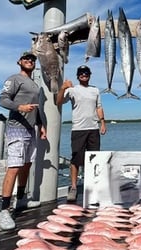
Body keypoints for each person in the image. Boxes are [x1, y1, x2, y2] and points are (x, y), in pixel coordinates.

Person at [0, 51, 46, 230]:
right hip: (16, 128)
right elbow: (2, 99)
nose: (30, 61)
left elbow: (36, 108)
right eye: (26, 59)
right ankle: (4, 210)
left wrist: (41, 125)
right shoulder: (14, 79)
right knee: (14, 167)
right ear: (19, 62)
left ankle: (21, 200)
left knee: (26, 165)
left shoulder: (35, 84)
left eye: (33, 59)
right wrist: (19, 106)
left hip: (31, 129)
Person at [56, 65, 106, 201]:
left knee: (94, 158)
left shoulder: (95, 90)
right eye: (81, 73)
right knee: (76, 159)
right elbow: (58, 101)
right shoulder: (72, 90)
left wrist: (102, 122)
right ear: (78, 76)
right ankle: (73, 187)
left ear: (90, 75)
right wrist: (63, 88)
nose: (84, 75)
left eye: (86, 73)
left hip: (93, 129)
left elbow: (99, 107)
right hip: (78, 129)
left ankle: (92, 186)